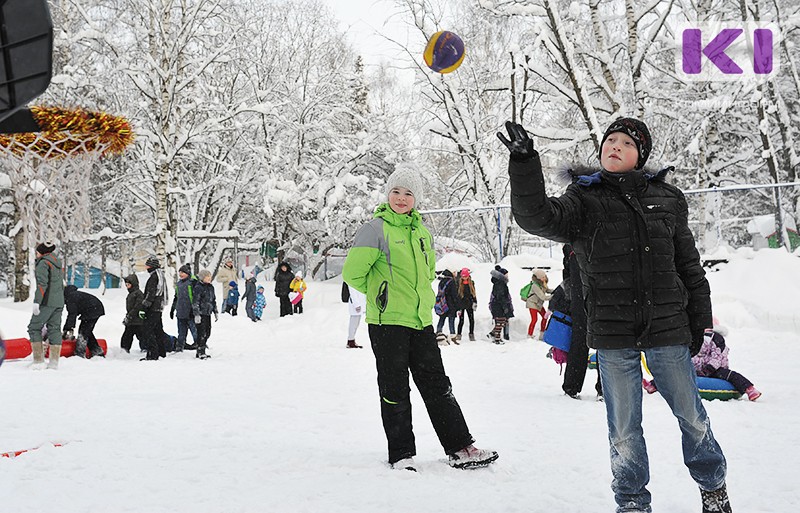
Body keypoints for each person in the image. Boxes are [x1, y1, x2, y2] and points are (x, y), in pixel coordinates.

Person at [500, 117, 731, 513]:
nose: (615, 146)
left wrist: (699, 320)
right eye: (610, 140)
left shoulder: (669, 199)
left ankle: (713, 488)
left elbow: (689, 266)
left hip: (667, 327)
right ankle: (632, 503)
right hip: (612, 332)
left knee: (692, 417)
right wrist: (525, 164)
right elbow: (536, 217)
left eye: (626, 142)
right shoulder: (583, 199)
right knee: (624, 431)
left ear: (640, 155)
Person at [342, 166, 498, 472]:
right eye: (396, 192)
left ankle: (460, 447)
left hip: (420, 323)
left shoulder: (422, 233)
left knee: (439, 386)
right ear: (388, 194)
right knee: (394, 389)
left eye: (409, 193)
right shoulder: (375, 229)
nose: (401, 198)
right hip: (388, 323)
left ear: (417, 199)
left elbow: (427, 274)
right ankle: (402, 454)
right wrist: (381, 294)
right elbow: (352, 274)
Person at [645, 325, 761, 401]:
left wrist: (710, 368)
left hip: (716, 369)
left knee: (729, 375)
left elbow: (718, 356)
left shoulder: (716, 339)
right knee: (676, 373)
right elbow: (690, 355)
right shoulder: (693, 338)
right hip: (698, 369)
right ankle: (654, 384)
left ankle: (749, 389)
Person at [559, 244, 602, 400]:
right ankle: (603, 389)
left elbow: (567, 277)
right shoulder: (602, 239)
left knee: (578, 343)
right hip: (602, 299)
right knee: (604, 344)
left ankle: (571, 386)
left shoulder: (570, 246)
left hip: (580, 301)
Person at [27, 241, 65, 370]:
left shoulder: (43, 263)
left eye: (37, 252)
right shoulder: (57, 264)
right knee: (54, 329)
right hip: (59, 301)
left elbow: (42, 284)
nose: (36, 254)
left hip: (47, 302)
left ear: (42, 253)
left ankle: (38, 362)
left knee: (34, 327)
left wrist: (37, 301)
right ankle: (54, 363)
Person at [63, 285, 106, 358]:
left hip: (93, 310)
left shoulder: (70, 298)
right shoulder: (72, 295)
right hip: (95, 308)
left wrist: (68, 328)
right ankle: (97, 351)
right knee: (87, 331)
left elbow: (72, 314)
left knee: (83, 332)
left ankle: (80, 354)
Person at [139, 255, 168, 361]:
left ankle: (153, 354)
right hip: (158, 308)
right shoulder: (160, 276)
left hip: (152, 308)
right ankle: (161, 351)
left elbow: (150, 295)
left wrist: (144, 307)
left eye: (147, 266)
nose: (146, 268)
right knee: (158, 330)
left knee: (148, 330)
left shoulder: (154, 277)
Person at [169, 264, 198, 351]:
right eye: (180, 272)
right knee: (181, 331)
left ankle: (199, 344)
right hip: (181, 311)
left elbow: (196, 297)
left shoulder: (193, 283)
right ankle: (180, 346)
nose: (181, 274)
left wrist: (195, 310)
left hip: (191, 311)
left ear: (188, 273)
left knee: (194, 330)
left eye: (183, 272)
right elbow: (176, 297)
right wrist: (172, 309)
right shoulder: (178, 284)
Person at [192, 270, 218, 359]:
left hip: (208, 313)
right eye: (207, 277)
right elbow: (195, 301)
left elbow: (213, 300)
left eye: (210, 277)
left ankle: (201, 349)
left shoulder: (211, 287)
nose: (209, 279)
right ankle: (200, 351)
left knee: (208, 332)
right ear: (202, 278)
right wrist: (196, 314)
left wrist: (215, 311)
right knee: (201, 333)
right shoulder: (198, 287)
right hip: (201, 313)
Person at [522, 268, 551, 340]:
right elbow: (543, 297)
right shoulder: (535, 286)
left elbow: (547, 290)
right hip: (532, 303)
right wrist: (553, 297)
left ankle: (542, 334)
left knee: (545, 317)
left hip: (538, 304)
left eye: (545, 276)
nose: (544, 278)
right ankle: (529, 335)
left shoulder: (542, 284)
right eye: (542, 277)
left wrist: (555, 291)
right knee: (534, 319)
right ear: (538, 278)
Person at [488, 265, 513, 344]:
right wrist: (505, 306)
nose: (507, 276)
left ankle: (492, 334)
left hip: (498, 304)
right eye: (506, 275)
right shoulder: (500, 284)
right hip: (498, 305)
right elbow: (501, 296)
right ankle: (497, 339)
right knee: (500, 321)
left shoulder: (499, 283)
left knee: (503, 321)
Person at [121, 273, 145, 353]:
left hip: (137, 320)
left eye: (128, 284)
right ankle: (124, 349)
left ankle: (145, 348)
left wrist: (130, 316)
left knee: (141, 335)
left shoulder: (138, 294)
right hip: (131, 319)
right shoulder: (131, 294)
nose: (127, 286)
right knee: (127, 335)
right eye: (126, 285)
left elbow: (138, 306)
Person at [434, 269, 458, 344]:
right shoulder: (452, 282)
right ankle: (452, 337)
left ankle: (438, 332)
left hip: (442, 304)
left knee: (442, 319)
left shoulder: (441, 282)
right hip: (450, 304)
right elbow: (454, 294)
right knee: (451, 321)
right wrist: (456, 304)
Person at [455, 268, 477, 342]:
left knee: (471, 320)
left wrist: (475, 302)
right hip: (461, 304)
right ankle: (459, 334)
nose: (464, 278)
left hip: (469, 303)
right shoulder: (459, 283)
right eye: (463, 276)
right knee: (461, 320)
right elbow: (457, 296)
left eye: (465, 276)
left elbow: (474, 294)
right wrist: (458, 307)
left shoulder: (471, 283)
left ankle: (471, 334)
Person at [341, 282, 365, 348]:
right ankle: (350, 341)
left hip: (360, 303)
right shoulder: (351, 278)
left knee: (356, 323)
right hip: (355, 304)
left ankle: (351, 340)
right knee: (354, 323)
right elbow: (352, 291)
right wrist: (356, 304)